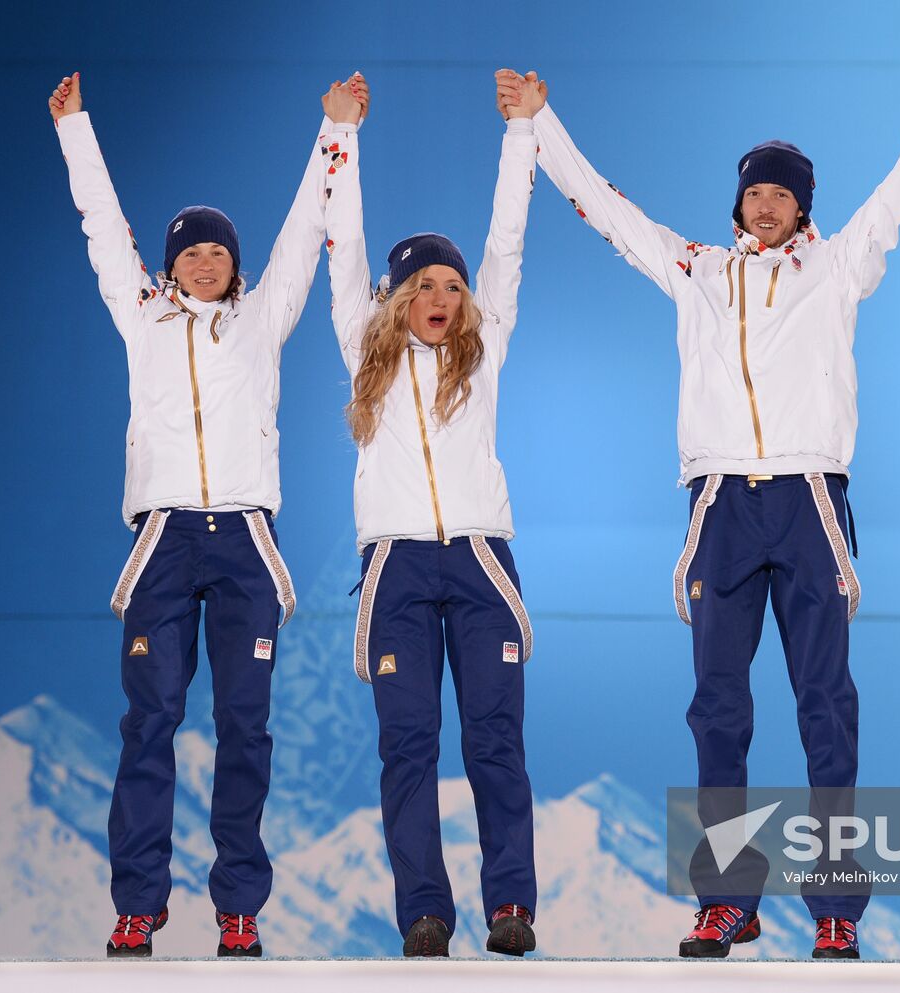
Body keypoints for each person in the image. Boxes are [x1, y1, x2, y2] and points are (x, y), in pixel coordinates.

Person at [497, 11, 900, 959]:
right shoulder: (697, 270)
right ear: (736, 205)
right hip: (722, 504)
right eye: (754, 194)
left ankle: (837, 905)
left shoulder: (840, 266)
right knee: (718, 706)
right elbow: (608, 210)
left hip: (810, 499)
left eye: (782, 194)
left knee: (826, 702)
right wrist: (537, 124)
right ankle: (727, 898)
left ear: (804, 207)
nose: (766, 206)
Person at [50, 71, 366, 958]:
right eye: (189, 252)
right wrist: (76, 128)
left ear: (234, 262)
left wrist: (334, 132)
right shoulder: (141, 315)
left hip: (244, 541)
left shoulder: (262, 320)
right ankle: (138, 904)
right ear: (169, 262)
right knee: (149, 723)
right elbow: (101, 226)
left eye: (217, 251)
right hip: (162, 538)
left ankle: (239, 906)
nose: (203, 262)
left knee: (244, 725)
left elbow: (308, 231)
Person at [325, 72, 539, 958]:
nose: (444, 292)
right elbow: (343, 246)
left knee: (494, 740)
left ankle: (510, 908)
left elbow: (509, 242)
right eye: (425, 283)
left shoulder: (481, 358)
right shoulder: (360, 350)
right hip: (397, 568)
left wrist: (521, 134)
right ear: (397, 299)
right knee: (407, 744)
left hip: (482, 562)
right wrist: (342, 135)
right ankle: (425, 910)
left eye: (454, 282)